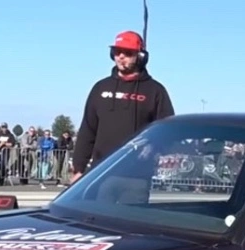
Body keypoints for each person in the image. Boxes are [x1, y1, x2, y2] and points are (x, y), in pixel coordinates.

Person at [70, 30, 175, 185]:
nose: (121, 56)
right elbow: (88, 129)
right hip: (100, 173)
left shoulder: (155, 91)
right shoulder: (100, 88)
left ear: (141, 57)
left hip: (137, 176)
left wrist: (154, 149)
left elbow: (167, 131)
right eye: (117, 52)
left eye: (127, 53)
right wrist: (78, 168)